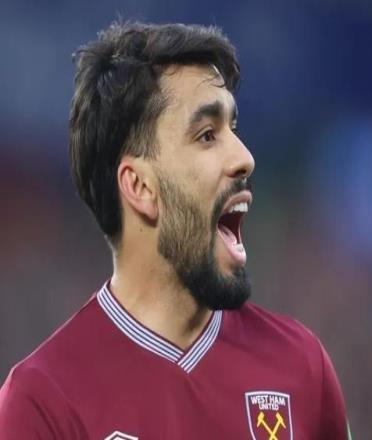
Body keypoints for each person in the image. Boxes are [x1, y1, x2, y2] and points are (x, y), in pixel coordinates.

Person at [0, 21, 350, 439]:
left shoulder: (302, 367)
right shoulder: (43, 402)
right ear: (139, 187)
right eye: (207, 135)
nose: (244, 158)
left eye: (233, 129)